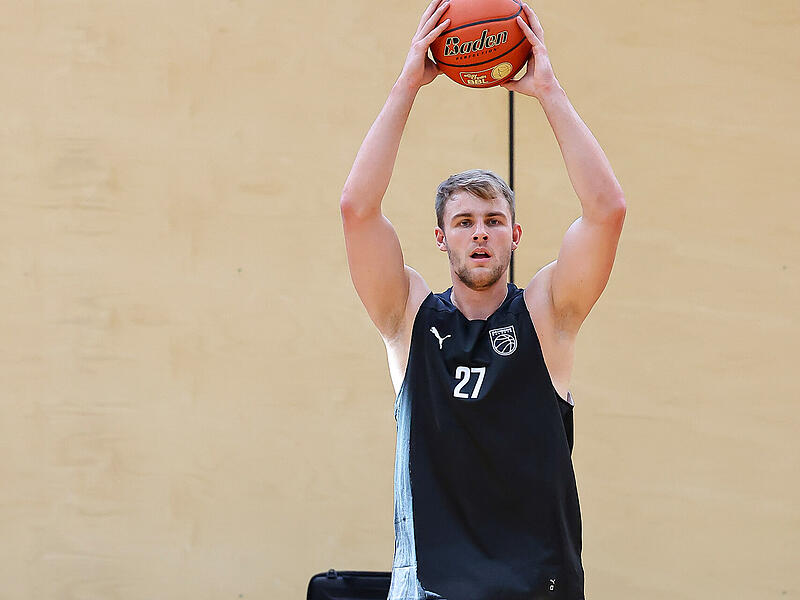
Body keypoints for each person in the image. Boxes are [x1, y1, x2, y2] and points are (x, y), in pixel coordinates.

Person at [340, 1, 626, 598]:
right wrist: (406, 85)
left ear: (514, 236)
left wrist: (548, 89)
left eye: (494, 221)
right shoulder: (408, 316)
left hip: (534, 584)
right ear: (441, 238)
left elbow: (607, 212)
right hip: (432, 588)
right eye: (464, 221)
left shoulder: (548, 314)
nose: (479, 233)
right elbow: (356, 211)